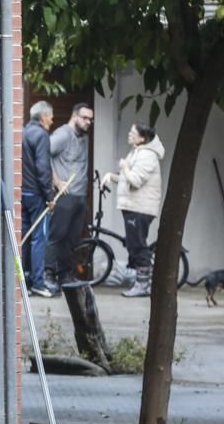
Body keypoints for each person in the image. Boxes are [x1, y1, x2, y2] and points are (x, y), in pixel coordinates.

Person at [102, 122, 165, 297]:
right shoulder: (137, 152)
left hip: (140, 208)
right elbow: (127, 178)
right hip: (133, 207)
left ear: (142, 138)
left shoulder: (147, 156)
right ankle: (141, 281)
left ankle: (143, 284)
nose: (129, 134)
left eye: (132, 132)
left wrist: (124, 167)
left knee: (138, 246)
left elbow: (135, 180)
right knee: (133, 244)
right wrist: (111, 176)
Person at [45, 102, 94, 294]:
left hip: (80, 196)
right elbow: (43, 155)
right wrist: (56, 181)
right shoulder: (63, 134)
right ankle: (48, 274)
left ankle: (65, 275)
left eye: (90, 119)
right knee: (57, 236)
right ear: (75, 116)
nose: (88, 122)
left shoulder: (83, 137)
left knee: (72, 239)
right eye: (85, 118)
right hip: (64, 196)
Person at [21, 101, 55, 298]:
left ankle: (23, 280)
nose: (52, 120)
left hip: (22, 193)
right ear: (43, 117)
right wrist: (49, 196)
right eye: (50, 117)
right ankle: (38, 283)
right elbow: (43, 168)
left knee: (24, 237)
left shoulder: (24, 132)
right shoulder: (41, 135)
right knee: (39, 239)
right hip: (37, 195)